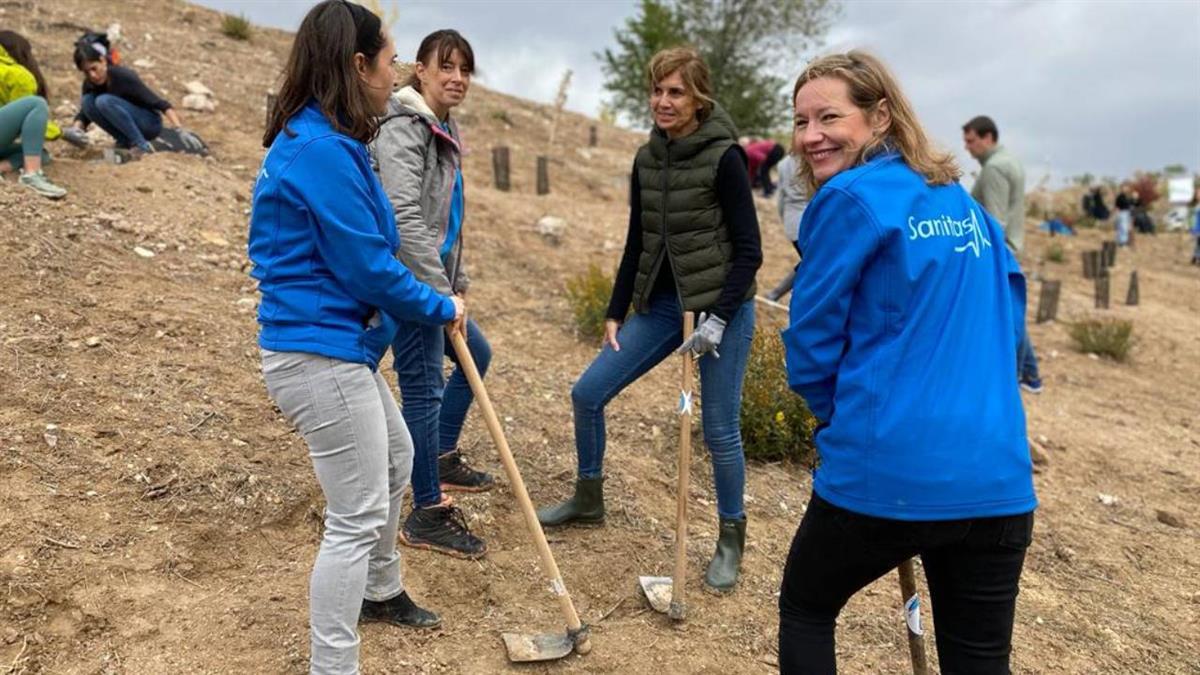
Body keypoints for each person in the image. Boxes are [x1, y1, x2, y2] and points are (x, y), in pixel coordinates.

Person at [779, 51, 1037, 674]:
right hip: (996, 479)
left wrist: (831, 420)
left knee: (807, 606)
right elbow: (1012, 316)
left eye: (829, 117)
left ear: (881, 114)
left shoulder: (849, 197)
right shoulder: (964, 204)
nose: (811, 135)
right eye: (800, 120)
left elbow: (811, 342)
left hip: (888, 466)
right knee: (978, 660)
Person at [248, 3, 465, 672]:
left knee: (397, 457)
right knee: (356, 515)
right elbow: (370, 267)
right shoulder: (318, 151)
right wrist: (439, 304)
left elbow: (373, 257)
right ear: (357, 65)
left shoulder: (331, 141)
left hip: (337, 348)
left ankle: (380, 586)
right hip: (317, 356)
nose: (395, 69)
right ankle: (332, 665)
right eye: (390, 57)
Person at [537, 46, 762, 592]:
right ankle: (589, 498)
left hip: (720, 310)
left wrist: (719, 320)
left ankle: (731, 538)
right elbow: (639, 239)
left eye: (675, 91)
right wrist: (615, 309)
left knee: (719, 430)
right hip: (662, 307)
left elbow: (751, 251)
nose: (663, 101)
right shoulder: (647, 157)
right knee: (587, 393)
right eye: (657, 90)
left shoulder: (725, 157)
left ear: (698, 97)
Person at [370, 29, 494, 560]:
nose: (457, 78)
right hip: (409, 282)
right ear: (418, 69)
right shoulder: (404, 127)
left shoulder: (441, 127)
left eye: (464, 69)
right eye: (445, 67)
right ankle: (426, 511)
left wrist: (456, 284)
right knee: (423, 389)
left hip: (434, 281)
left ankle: (437, 456)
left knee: (476, 358)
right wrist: (440, 296)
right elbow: (404, 217)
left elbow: (446, 218)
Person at [963, 114, 1042, 393]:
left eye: (971, 141)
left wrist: (987, 256)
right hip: (1010, 246)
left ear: (988, 137)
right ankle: (1030, 375)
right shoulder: (1009, 161)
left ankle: (1016, 375)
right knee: (1011, 310)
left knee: (1007, 314)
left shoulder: (994, 168)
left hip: (998, 249)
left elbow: (995, 219)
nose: (967, 148)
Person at [70, 38, 185, 160]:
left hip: (149, 123)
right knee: (87, 101)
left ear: (103, 61)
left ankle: (141, 146)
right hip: (126, 127)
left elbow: (160, 103)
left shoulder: (123, 77)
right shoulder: (89, 84)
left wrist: (179, 129)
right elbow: (85, 113)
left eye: (94, 68)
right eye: (87, 72)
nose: (92, 75)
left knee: (104, 101)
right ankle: (125, 142)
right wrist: (76, 130)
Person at [0, 31, 67, 198]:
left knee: (39, 153)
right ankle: (32, 174)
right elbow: (30, 113)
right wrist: (62, 133)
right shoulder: (17, 74)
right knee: (36, 103)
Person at [764, 151, 807, 301]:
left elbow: (781, 197)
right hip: (809, 217)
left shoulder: (783, 164)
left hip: (792, 218)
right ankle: (777, 294)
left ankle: (775, 294)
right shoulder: (812, 160)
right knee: (812, 264)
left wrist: (785, 220)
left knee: (810, 262)